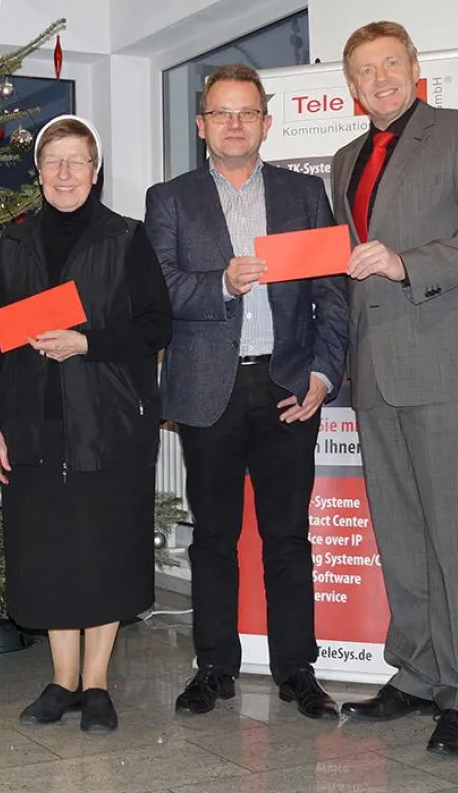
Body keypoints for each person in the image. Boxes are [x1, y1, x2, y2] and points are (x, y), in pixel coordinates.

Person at [333, 22, 458, 756]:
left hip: (446, 366)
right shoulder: (347, 158)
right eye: (362, 71)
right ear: (350, 89)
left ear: (414, 69)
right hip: (376, 372)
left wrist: (407, 262)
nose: (377, 79)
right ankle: (414, 674)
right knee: (404, 538)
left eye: (389, 64)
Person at [144, 64, 349, 721]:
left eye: (246, 112)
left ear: (266, 122)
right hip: (210, 390)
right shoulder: (169, 199)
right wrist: (221, 283)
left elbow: (332, 295)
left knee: (288, 536)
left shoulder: (304, 196)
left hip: (289, 385)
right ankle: (214, 667)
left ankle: (298, 669)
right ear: (202, 125)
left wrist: (323, 375)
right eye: (221, 113)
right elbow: (159, 290)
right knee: (214, 538)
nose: (234, 123)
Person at [0, 114, 172, 734]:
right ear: (38, 173)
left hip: (107, 424)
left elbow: (156, 326)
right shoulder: (17, 243)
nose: (64, 173)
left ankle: (97, 685)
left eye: (76, 161)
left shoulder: (127, 237)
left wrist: (87, 342)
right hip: (36, 426)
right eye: (52, 161)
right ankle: (61, 681)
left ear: (96, 170)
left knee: (105, 552)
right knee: (51, 554)